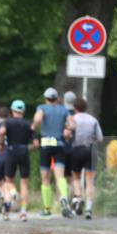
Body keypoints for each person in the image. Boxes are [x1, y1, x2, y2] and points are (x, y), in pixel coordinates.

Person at [33, 87, 75, 219]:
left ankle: (47, 210)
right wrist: (66, 126)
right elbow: (73, 125)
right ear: (56, 98)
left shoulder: (42, 108)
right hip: (59, 143)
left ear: (46, 98)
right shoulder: (63, 110)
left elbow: (38, 119)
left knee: (45, 178)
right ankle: (63, 196)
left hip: (46, 143)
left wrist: (35, 124)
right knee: (60, 176)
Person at [0, 100, 37, 222]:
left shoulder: (7, 122)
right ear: (23, 111)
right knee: (24, 182)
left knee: (9, 180)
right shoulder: (28, 124)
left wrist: (0, 144)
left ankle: (12, 198)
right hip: (24, 152)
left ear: (12, 111)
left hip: (11, 151)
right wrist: (27, 149)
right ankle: (23, 212)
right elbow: (36, 144)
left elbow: (1, 132)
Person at [69, 97, 103, 220]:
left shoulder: (72, 119)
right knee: (90, 181)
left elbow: (67, 134)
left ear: (75, 108)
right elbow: (100, 138)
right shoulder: (93, 120)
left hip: (76, 150)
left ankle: (78, 198)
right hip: (90, 150)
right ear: (86, 107)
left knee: (76, 177)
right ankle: (89, 208)